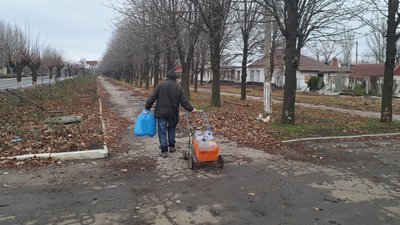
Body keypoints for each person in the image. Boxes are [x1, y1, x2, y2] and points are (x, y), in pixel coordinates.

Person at [145, 69, 198, 158]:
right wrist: (191, 109)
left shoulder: (160, 85)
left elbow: (152, 97)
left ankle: (164, 150)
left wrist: (147, 107)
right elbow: (184, 101)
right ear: (175, 79)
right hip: (173, 113)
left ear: (167, 77)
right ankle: (172, 146)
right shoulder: (178, 88)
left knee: (162, 130)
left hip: (161, 113)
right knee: (172, 128)